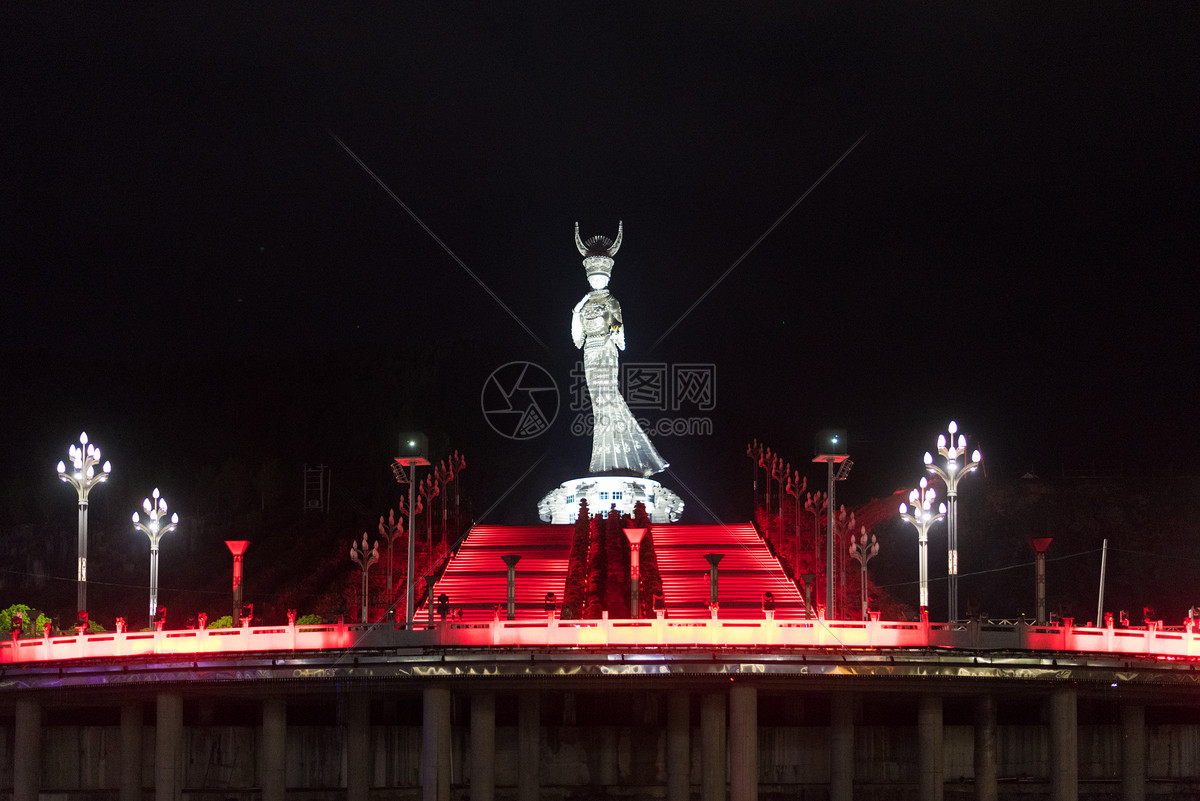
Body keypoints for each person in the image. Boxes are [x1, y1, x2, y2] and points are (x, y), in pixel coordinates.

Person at [572, 222, 668, 476]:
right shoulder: (583, 305)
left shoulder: (612, 301)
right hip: (589, 355)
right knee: (598, 406)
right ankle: (603, 459)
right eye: (593, 275)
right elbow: (577, 338)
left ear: (608, 276)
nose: (597, 278)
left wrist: (610, 326)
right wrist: (575, 312)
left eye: (601, 275)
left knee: (610, 399)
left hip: (605, 352)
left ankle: (623, 458)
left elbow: (618, 335)